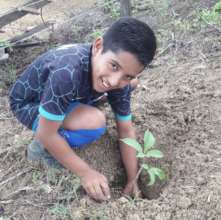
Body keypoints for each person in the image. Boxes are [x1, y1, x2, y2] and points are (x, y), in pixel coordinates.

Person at [9, 17, 156, 201]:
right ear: (97, 46)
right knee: (94, 121)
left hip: (69, 93)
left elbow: (125, 130)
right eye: (114, 66)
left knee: (130, 85)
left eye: (126, 74)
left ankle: (73, 111)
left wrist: (132, 179)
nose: (114, 80)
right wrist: (86, 172)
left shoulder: (117, 79)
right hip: (30, 103)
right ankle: (39, 150)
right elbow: (47, 134)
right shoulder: (66, 72)